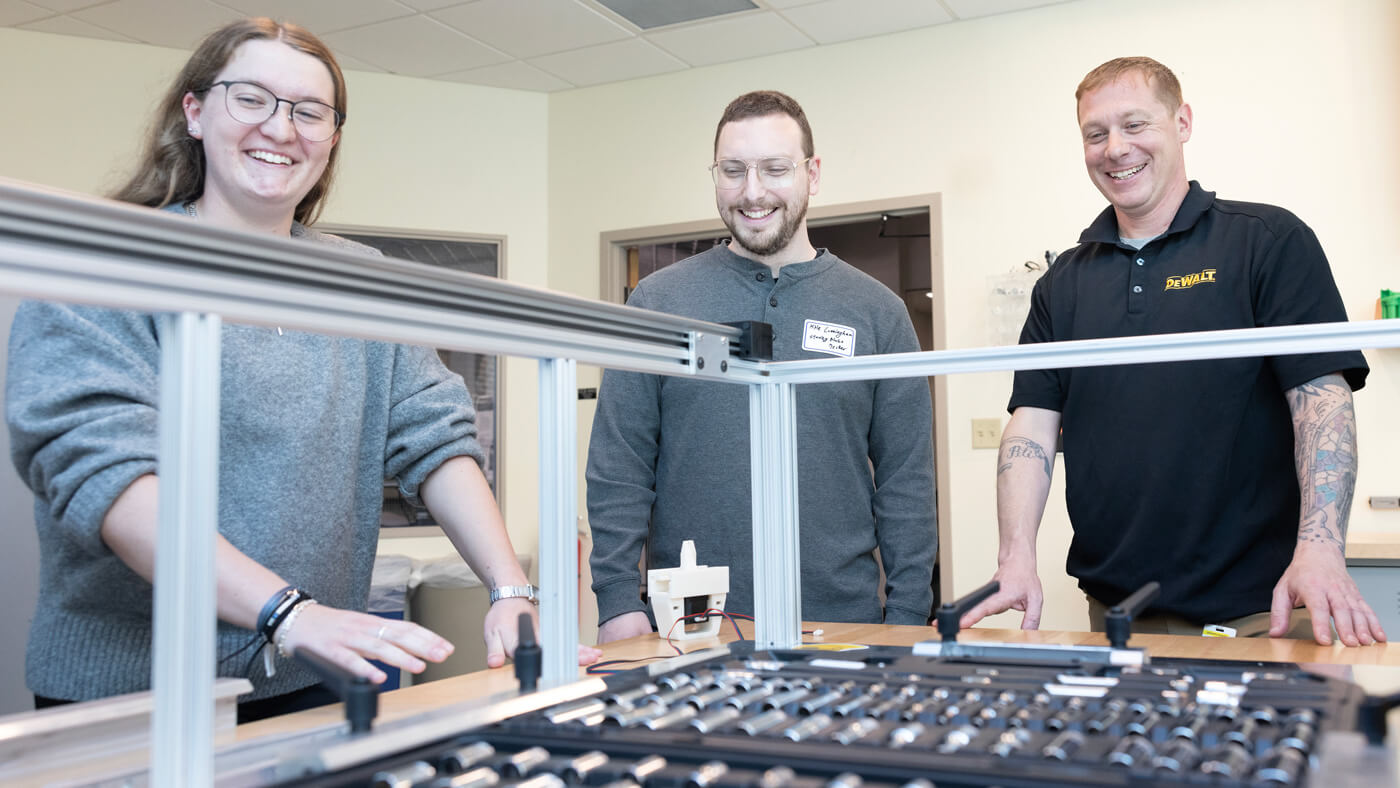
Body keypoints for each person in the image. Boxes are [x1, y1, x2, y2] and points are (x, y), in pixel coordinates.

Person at [6, 17, 597, 723]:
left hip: (310, 675)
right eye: (251, 99)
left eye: (309, 111)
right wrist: (286, 612)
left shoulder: (360, 281)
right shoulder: (107, 261)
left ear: (332, 138)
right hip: (132, 692)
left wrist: (510, 592)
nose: (281, 129)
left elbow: (434, 436)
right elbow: (109, 481)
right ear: (194, 112)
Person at [960, 56, 1385, 647]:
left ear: (1182, 122)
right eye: (1095, 133)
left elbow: (1322, 399)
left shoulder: (1268, 241)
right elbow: (1031, 425)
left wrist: (1320, 549)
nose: (1115, 148)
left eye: (1135, 125)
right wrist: (1015, 557)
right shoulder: (1062, 284)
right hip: (1117, 613)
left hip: (1265, 607)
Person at [586, 90, 936, 643]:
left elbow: (906, 481)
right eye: (733, 170)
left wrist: (909, 616)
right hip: (689, 624)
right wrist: (615, 601)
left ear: (812, 174)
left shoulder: (877, 313)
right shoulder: (658, 301)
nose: (752, 192)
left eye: (775, 169)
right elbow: (619, 465)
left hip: (841, 622)